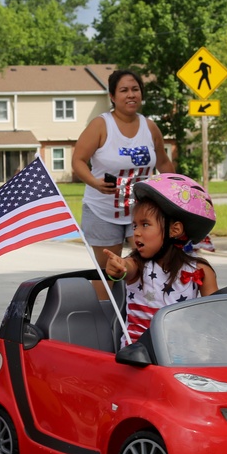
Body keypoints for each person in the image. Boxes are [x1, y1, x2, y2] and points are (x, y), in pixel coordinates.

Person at [72, 69, 173, 297]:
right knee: (108, 272)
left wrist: (178, 193)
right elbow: (77, 160)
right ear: (112, 96)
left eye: (135, 89)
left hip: (141, 212)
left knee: (150, 266)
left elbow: (165, 164)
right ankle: (103, 319)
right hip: (102, 211)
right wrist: (94, 182)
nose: (131, 95)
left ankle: (144, 315)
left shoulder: (150, 127)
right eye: (124, 90)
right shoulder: (101, 125)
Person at [103, 174, 219, 346]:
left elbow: (217, 315)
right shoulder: (139, 264)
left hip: (183, 354)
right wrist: (118, 268)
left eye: (145, 224)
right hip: (139, 357)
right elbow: (126, 268)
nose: (136, 232)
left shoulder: (200, 270)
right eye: (135, 225)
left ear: (175, 229)